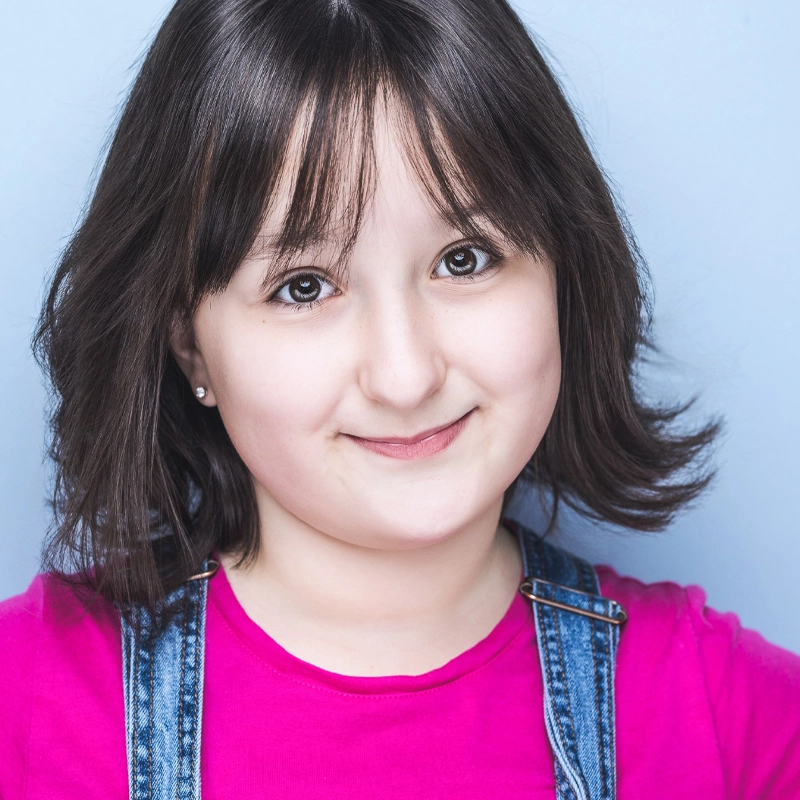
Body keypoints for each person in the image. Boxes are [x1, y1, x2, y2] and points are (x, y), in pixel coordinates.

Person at [1, 0, 798, 798]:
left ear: (564, 271)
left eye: (464, 258)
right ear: (189, 345)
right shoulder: (31, 700)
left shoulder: (734, 720)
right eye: (304, 286)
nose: (406, 375)